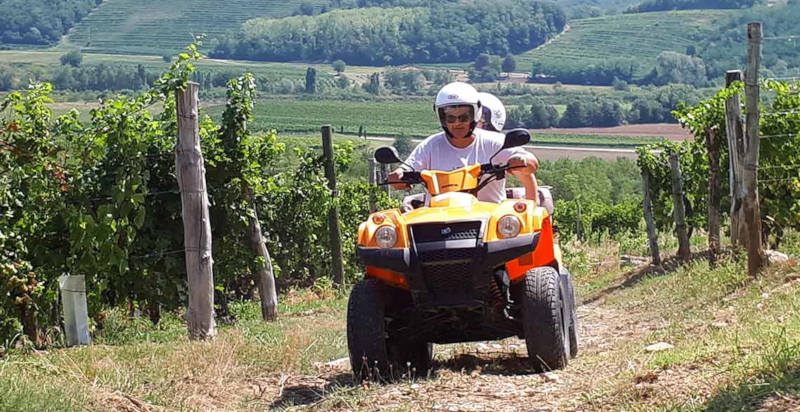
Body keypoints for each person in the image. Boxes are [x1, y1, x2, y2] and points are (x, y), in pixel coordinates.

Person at [390, 82, 539, 203]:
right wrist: (398, 176)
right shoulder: (430, 146)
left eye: (463, 117)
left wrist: (522, 161)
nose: (457, 123)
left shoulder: (495, 143)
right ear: (442, 118)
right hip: (439, 219)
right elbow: (407, 169)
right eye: (450, 118)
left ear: (475, 114)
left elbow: (531, 163)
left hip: (489, 220)